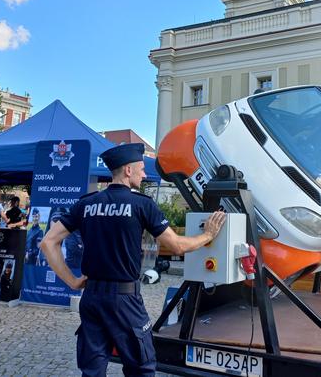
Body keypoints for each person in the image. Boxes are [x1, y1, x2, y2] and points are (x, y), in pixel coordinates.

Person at [41, 143, 226, 377]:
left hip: (92, 299)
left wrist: (73, 282)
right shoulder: (142, 205)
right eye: (140, 168)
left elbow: (48, 242)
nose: (144, 174)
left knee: (92, 368)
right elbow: (177, 245)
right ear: (128, 170)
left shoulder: (85, 203)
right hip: (124, 300)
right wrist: (208, 235)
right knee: (141, 366)